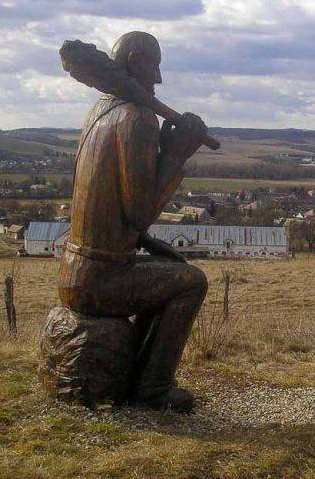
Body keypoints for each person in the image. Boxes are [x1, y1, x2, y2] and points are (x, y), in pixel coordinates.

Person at [58, 31, 208, 412]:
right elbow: (140, 210)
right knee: (192, 283)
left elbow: (114, 209)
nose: (158, 79)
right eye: (155, 66)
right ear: (137, 60)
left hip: (73, 270)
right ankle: (152, 390)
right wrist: (175, 155)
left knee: (172, 269)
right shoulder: (137, 119)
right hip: (101, 279)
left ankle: (138, 372)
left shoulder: (100, 112)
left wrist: (149, 244)